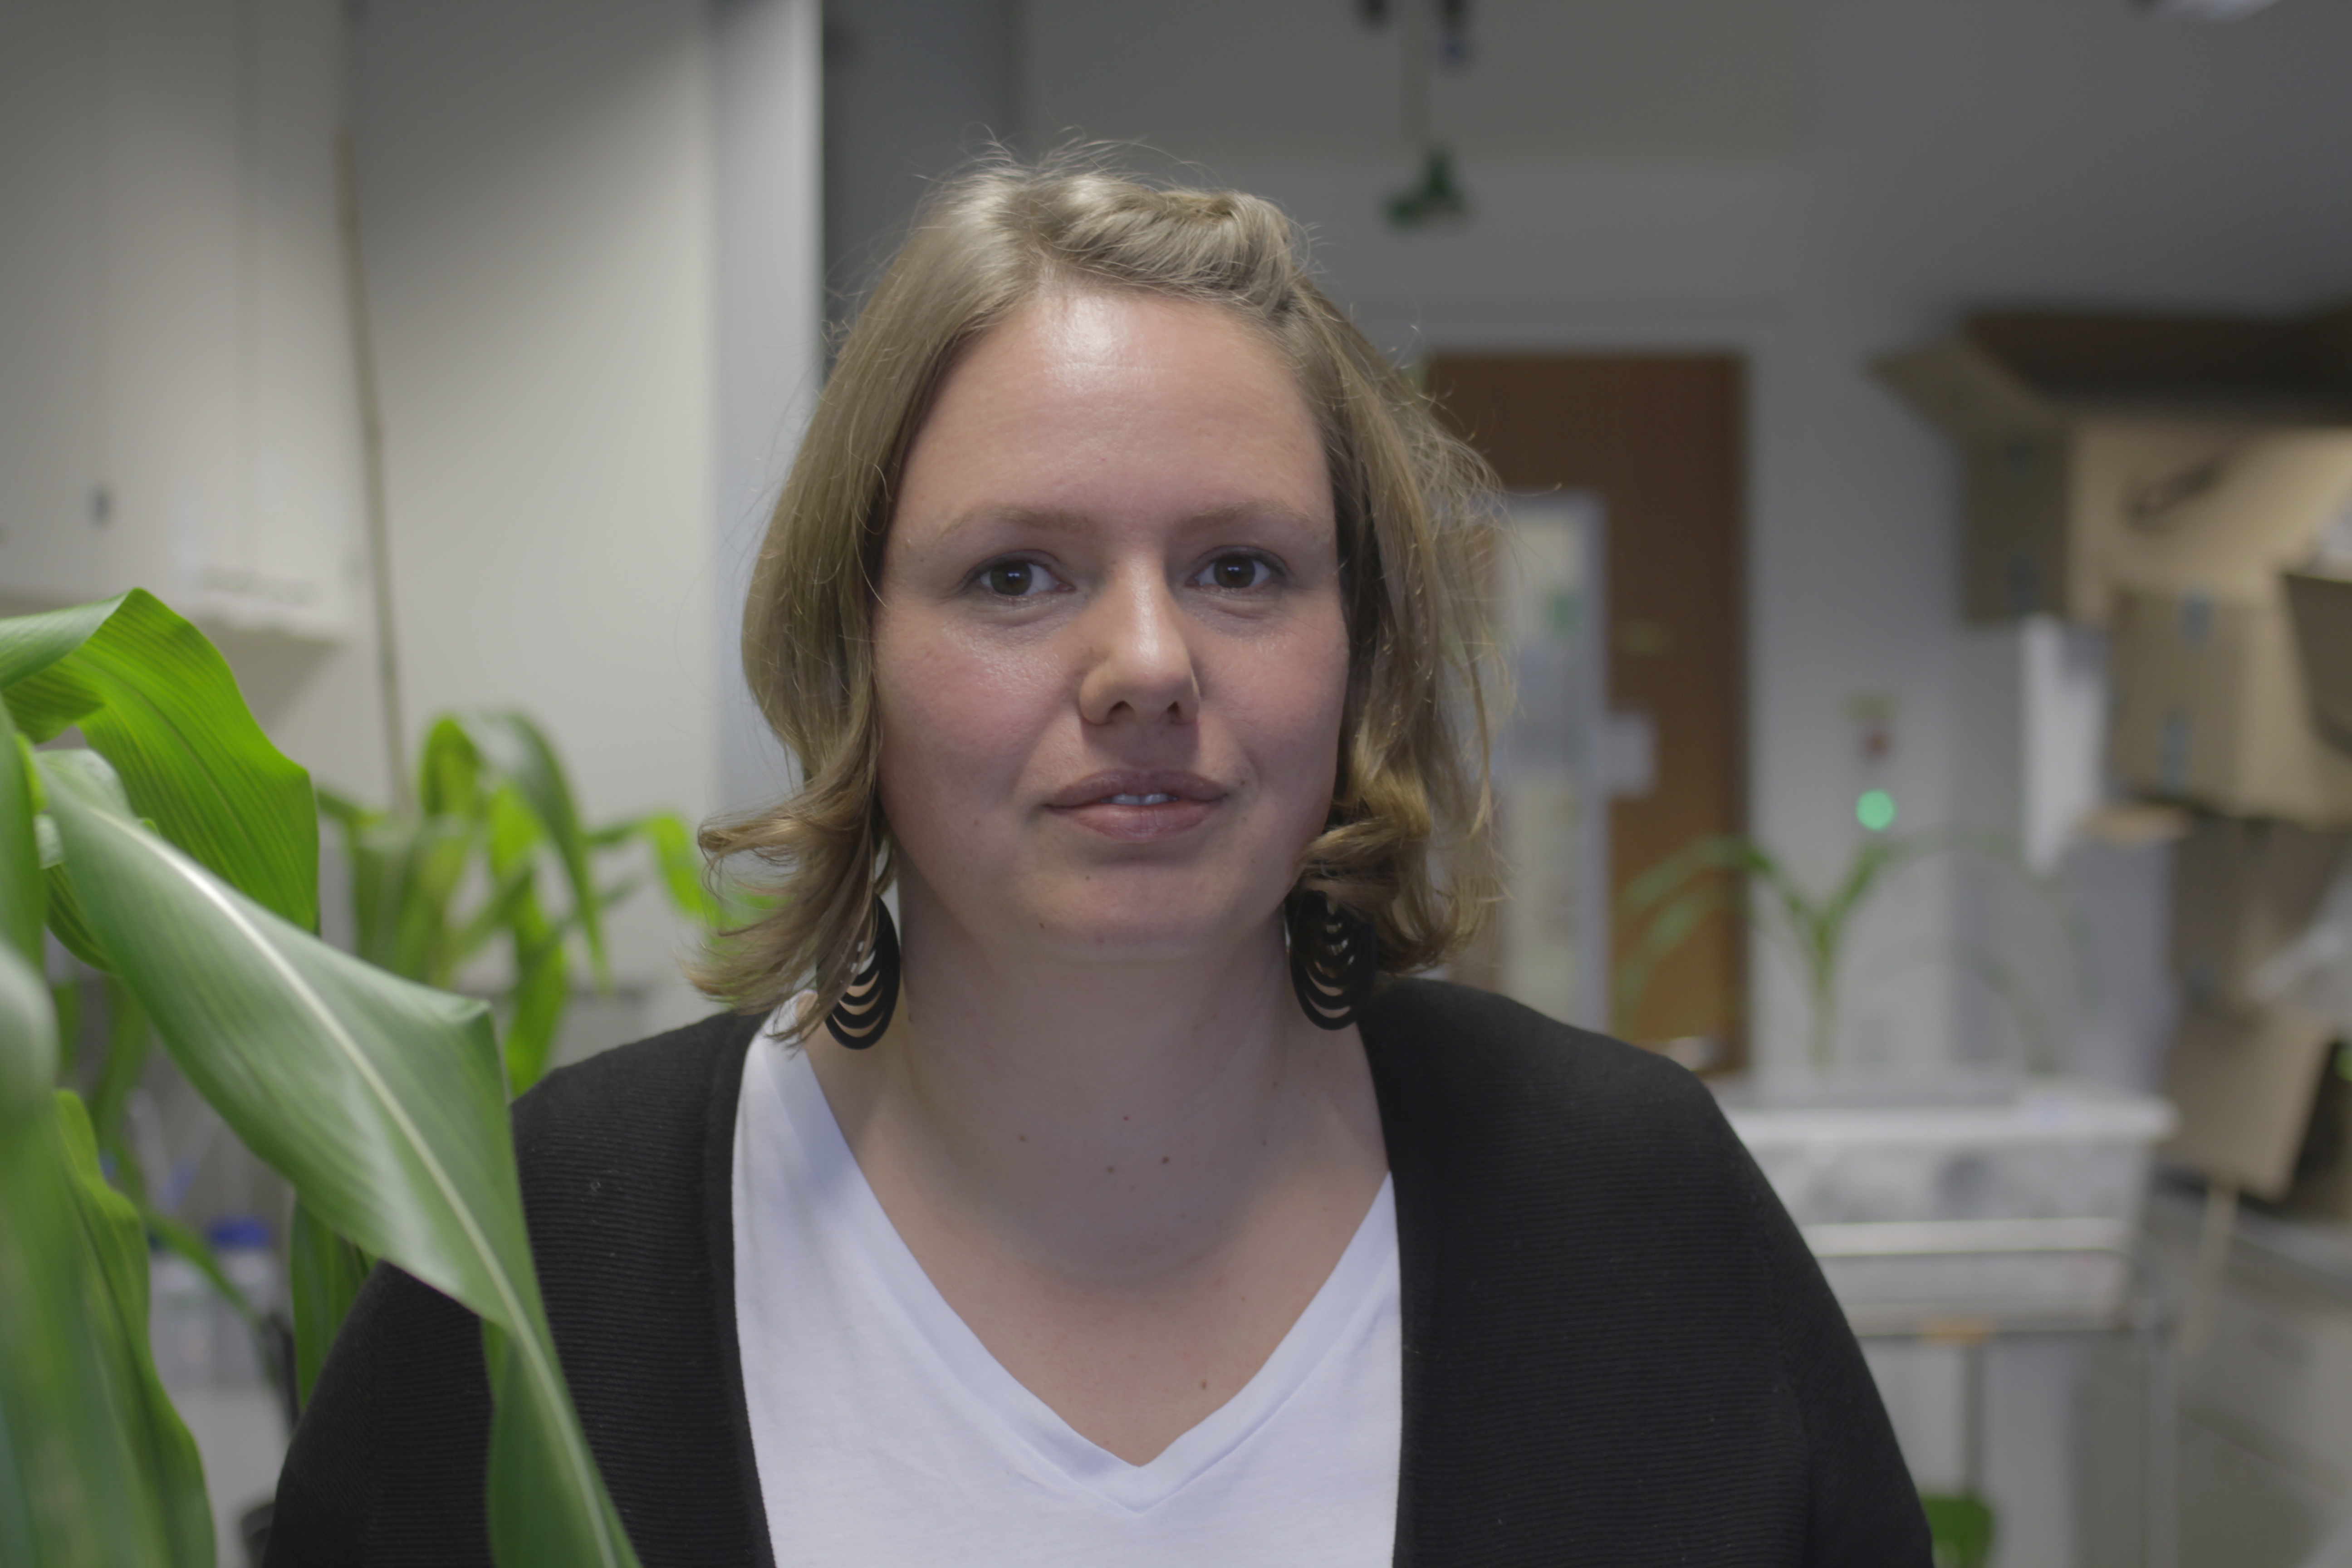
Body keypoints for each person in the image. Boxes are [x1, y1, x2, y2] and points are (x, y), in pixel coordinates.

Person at [266, 155, 1930, 1567]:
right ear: (855, 653)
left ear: (1360, 646)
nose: (1147, 664)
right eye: (1017, 576)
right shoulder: (548, 1258)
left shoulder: (1626, 1209)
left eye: (1240, 568)